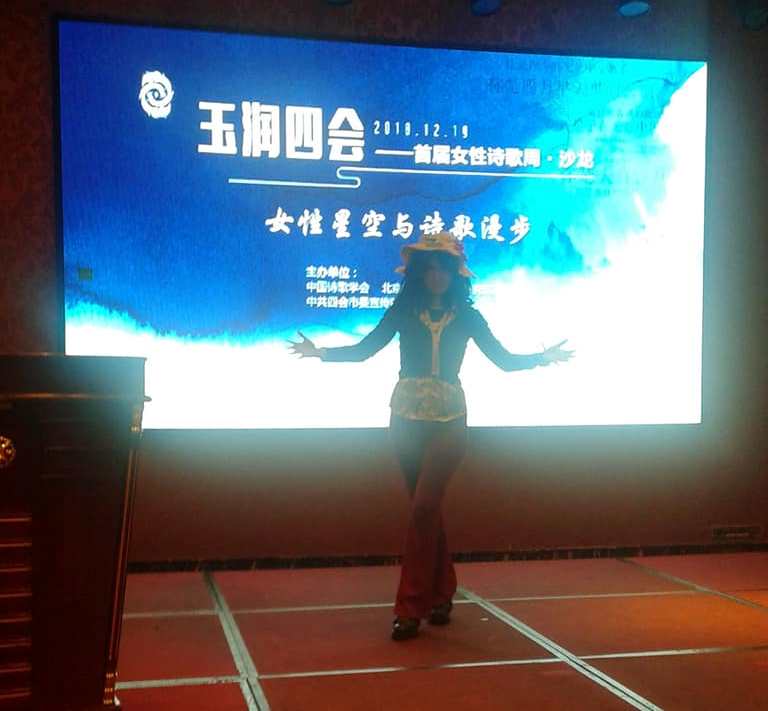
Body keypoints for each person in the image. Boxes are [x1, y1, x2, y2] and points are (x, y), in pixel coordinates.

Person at [288, 231, 573, 641]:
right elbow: (366, 349)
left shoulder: (468, 316)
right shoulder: (404, 309)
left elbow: (504, 361)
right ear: (419, 272)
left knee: (423, 508)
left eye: (444, 267)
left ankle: (409, 608)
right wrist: (321, 353)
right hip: (405, 419)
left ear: (456, 273)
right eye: (430, 267)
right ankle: (442, 594)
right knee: (427, 512)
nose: (437, 274)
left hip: (449, 420)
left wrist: (542, 358)